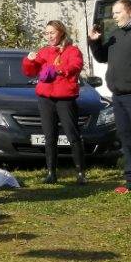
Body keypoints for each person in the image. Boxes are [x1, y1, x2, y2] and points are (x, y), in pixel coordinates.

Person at [88, 0, 131, 194]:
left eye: (117, 12)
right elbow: (102, 57)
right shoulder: (116, 34)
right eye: (113, 13)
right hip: (118, 96)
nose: (114, 17)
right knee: (126, 138)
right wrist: (95, 41)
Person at [22, 20, 86, 184]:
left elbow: (76, 66)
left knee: (72, 135)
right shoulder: (44, 51)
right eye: (47, 33)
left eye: (52, 33)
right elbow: (30, 72)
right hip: (46, 99)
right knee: (50, 136)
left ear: (61, 33)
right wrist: (29, 60)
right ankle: (51, 173)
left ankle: (80, 173)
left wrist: (59, 69)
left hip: (65, 99)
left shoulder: (72, 50)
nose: (49, 36)